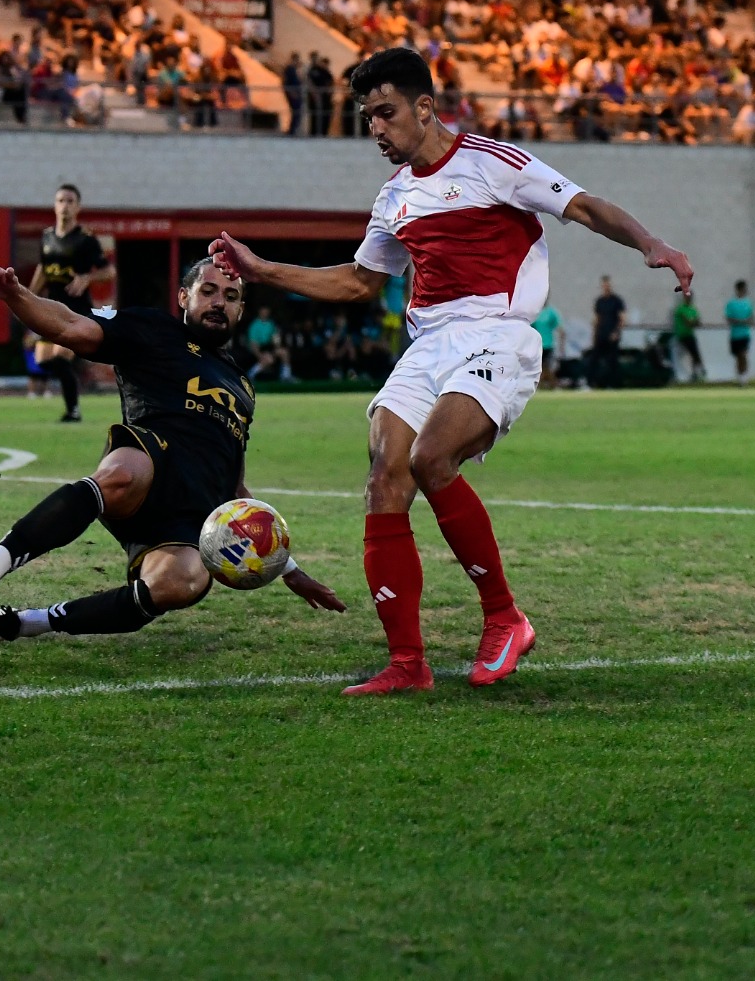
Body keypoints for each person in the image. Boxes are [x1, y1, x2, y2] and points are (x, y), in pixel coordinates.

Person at [207, 47, 692, 694]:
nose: (375, 128)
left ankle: (505, 617)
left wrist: (651, 244)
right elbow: (358, 282)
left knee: (432, 458)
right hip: (428, 345)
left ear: (425, 107)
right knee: (384, 480)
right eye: (367, 117)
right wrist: (262, 269)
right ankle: (407, 663)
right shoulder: (394, 197)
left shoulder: (493, 162)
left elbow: (583, 205)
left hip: (497, 335)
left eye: (385, 112)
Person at [0, 259, 345, 642]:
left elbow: (235, 487)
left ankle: (16, 623)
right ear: (184, 297)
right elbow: (70, 327)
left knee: (181, 583)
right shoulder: (152, 329)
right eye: (209, 291)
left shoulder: (244, 387)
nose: (219, 302)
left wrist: (286, 567)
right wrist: (16, 295)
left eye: (231, 296)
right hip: (149, 465)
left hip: (190, 516)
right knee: (123, 471)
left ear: (240, 309)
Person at [30, 184, 114, 423]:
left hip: (75, 309)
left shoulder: (85, 239)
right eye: (60, 201)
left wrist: (87, 278)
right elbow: (43, 269)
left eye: (69, 201)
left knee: (60, 357)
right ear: (54, 206)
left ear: (77, 207)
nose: (64, 206)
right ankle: (82, 371)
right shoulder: (47, 236)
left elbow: (109, 271)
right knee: (42, 360)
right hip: (51, 308)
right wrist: (28, 297)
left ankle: (73, 411)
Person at [590, 277, 626, 388]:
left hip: (612, 335)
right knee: (594, 359)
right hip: (601, 334)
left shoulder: (617, 301)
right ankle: (593, 382)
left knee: (612, 360)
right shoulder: (599, 301)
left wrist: (616, 332)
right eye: (604, 285)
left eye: (608, 285)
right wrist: (594, 334)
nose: (606, 287)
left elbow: (622, 319)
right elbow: (597, 319)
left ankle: (613, 384)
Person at [670, 288, 705, 383]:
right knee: (694, 353)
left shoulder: (693, 308)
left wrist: (693, 322)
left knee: (695, 353)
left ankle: (696, 372)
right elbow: (689, 322)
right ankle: (700, 370)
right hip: (682, 335)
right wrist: (693, 321)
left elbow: (698, 322)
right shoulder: (680, 309)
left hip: (690, 334)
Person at [725, 280, 754, 386]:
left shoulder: (748, 303)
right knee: (738, 357)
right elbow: (729, 318)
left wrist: (747, 321)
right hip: (735, 335)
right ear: (738, 289)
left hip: (745, 334)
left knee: (743, 355)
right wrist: (739, 321)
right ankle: (740, 377)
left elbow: (752, 317)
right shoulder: (731, 303)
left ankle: (744, 378)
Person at [531, 301, 562, 389]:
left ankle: (554, 385)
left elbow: (559, 328)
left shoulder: (551, 312)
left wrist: (562, 346)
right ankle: (541, 386)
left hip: (548, 344)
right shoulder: (535, 312)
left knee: (546, 367)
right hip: (537, 345)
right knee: (538, 368)